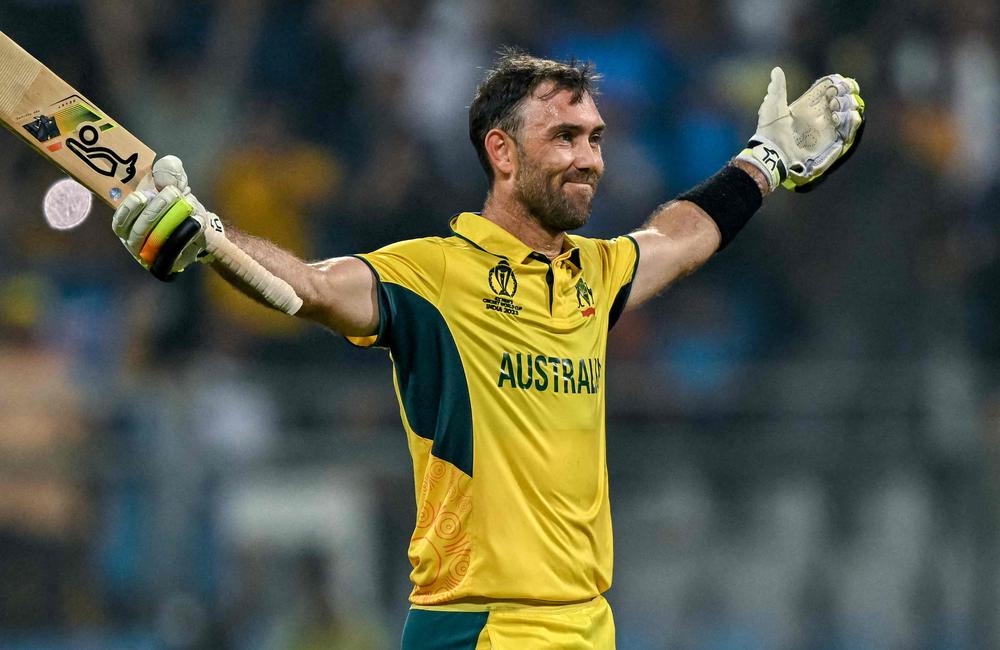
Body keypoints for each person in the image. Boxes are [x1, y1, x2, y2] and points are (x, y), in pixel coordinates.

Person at [112, 48, 864, 649]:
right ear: (502, 153)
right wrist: (212, 240)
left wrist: (765, 161)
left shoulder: (593, 277)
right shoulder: (434, 274)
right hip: (480, 625)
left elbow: (678, 238)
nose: (590, 158)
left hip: (586, 623)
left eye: (595, 138)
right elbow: (308, 285)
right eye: (565, 138)